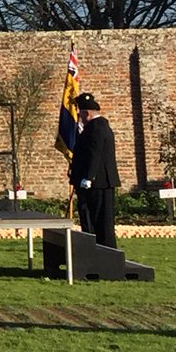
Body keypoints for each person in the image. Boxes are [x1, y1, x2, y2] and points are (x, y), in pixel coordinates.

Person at [68, 92, 120, 249]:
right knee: (91, 218)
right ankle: (96, 250)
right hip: (97, 182)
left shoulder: (96, 128)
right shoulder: (95, 127)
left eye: (81, 114)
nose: (80, 117)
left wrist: (88, 177)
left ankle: (103, 251)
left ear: (87, 113)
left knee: (99, 220)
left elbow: (95, 154)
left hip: (98, 183)